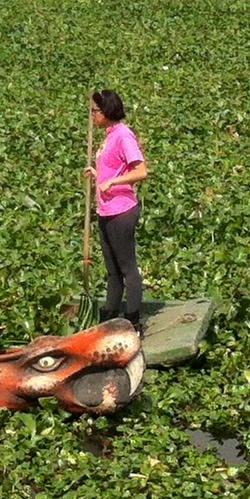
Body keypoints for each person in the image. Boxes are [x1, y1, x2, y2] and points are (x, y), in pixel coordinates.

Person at [90, 88, 147, 325]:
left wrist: (113, 181)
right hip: (106, 209)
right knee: (112, 271)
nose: (92, 116)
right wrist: (97, 174)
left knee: (127, 269)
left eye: (95, 111)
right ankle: (109, 320)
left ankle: (133, 322)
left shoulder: (123, 135)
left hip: (121, 210)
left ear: (107, 111)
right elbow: (114, 167)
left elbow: (141, 171)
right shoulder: (110, 134)